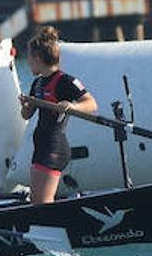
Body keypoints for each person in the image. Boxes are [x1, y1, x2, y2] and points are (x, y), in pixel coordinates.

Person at [18, 25, 97, 205]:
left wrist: (71, 106)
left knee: (41, 203)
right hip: (41, 148)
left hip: (53, 148)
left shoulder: (64, 81)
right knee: (37, 202)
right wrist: (25, 106)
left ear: (37, 57)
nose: (28, 61)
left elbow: (91, 104)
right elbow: (26, 115)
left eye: (29, 57)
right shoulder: (37, 83)